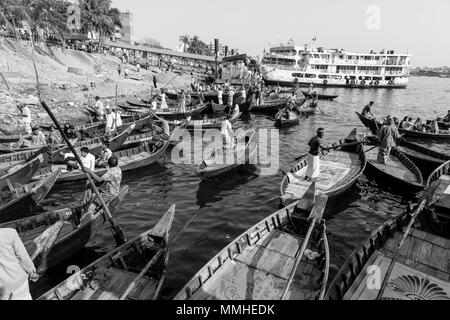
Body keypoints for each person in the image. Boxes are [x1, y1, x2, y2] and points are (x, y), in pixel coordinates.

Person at [0, 228, 39, 300]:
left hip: (3, 291)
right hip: (20, 282)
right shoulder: (10, 232)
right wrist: (32, 273)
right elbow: (23, 258)